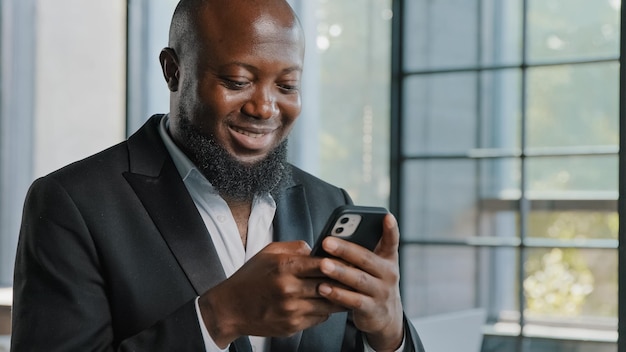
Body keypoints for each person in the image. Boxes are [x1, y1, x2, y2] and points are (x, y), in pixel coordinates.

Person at [11, 0, 425, 351]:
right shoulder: (72, 204)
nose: (264, 108)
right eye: (237, 81)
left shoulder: (329, 203)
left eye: (287, 85)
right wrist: (217, 317)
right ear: (173, 71)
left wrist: (390, 332)